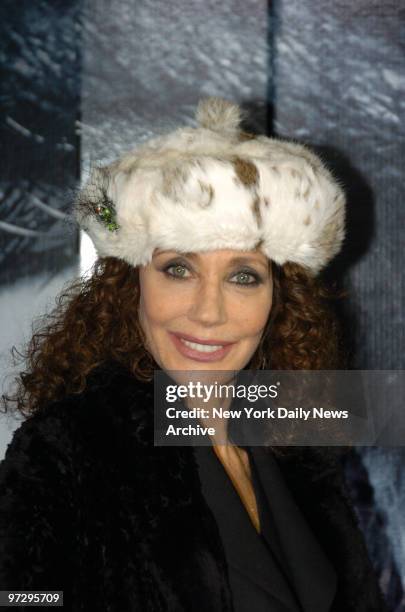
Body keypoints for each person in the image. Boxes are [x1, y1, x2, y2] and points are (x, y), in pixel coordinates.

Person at [0, 98, 388, 612]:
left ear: (281, 299)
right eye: (179, 269)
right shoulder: (71, 448)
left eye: (243, 276)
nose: (209, 312)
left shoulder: (295, 447)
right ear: (129, 285)